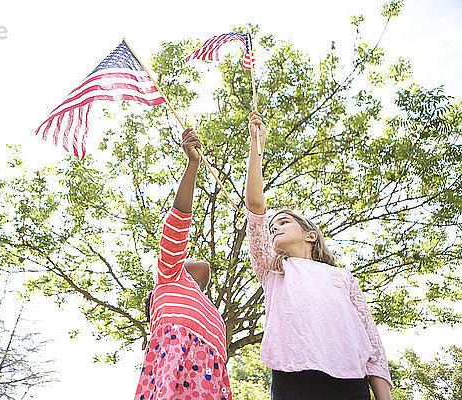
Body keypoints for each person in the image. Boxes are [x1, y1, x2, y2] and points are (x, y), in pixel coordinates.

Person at [244, 110, 393, 400]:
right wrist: (256, 146)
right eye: (272, 227)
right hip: (293, 377)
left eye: (284, 222)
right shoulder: (273, 271)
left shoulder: (341, 277)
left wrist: (383, 395)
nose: (274, 228)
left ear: (310, 235)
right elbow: (255, 205)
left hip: (351, 380)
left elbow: (369, 337)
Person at [134, 128, 232, 400]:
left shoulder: (208, 308)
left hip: (210, 379)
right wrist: (193, 165)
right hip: (176, 372)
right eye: (182, 261)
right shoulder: (169, 277)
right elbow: (178, 224)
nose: (193, 263)